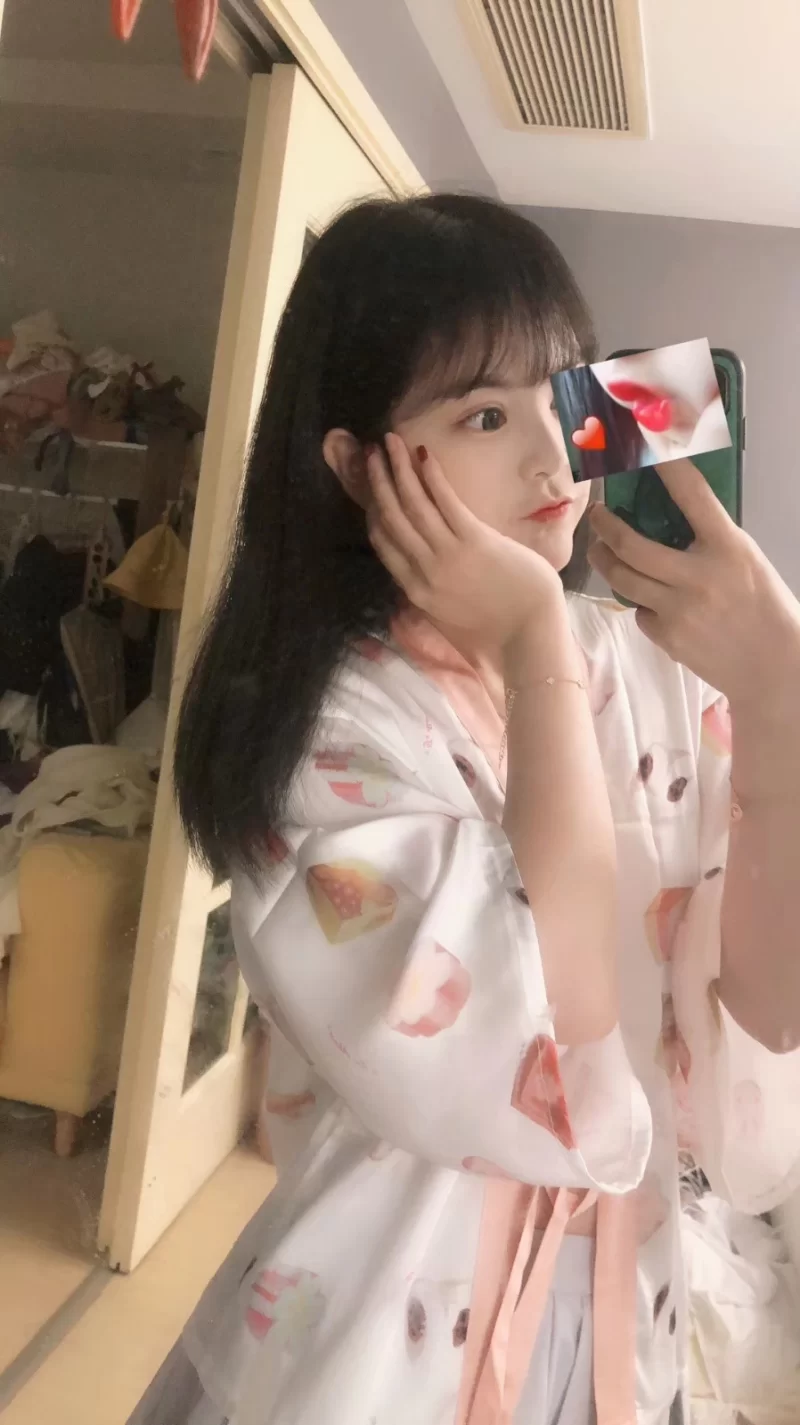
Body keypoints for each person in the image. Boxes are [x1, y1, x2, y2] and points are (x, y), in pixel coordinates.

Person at [129, 194, 800, 1425]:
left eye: (564, 398)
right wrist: (536, 642)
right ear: (355, 465)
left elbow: (758, 1022)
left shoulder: (645, 666)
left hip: (628, 1308)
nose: (552, 461)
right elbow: (552, 1064)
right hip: (382, 1337)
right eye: (485, 415)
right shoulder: (330, 731)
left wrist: (778, 695)